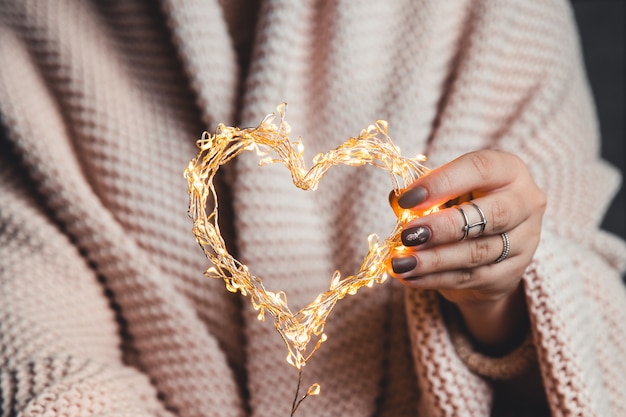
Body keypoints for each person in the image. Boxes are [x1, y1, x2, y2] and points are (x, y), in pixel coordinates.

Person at [1, 1, 625, 416]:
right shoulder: (31, 29)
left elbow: (594, 338)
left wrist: (499, 296)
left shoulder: (504, 15)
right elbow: (41, 356)